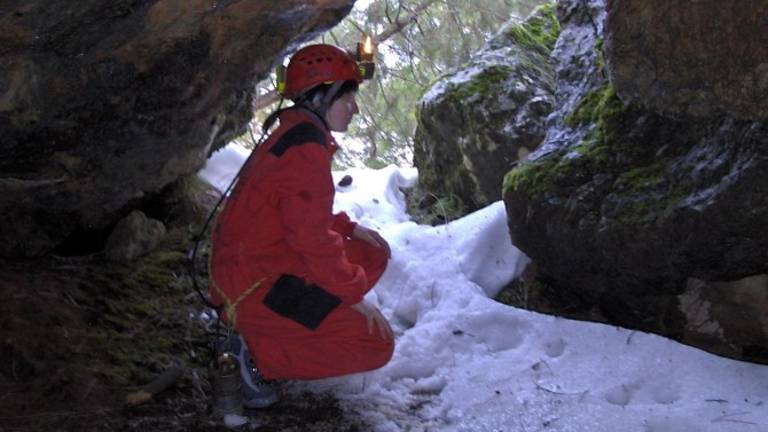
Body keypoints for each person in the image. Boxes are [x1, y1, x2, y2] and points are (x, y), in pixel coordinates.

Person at [209, 44, 395, 408]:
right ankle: (254, 355)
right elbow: (311, 240)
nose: (355, 108)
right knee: (375, 344)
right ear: (321, 98)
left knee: (372, 252)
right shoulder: (303, 150)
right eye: (348, 98)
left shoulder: (298, 136)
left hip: (264, 264)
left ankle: (287, 326)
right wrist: (351, 295)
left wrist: (345, 227)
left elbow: (295, 213)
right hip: (253, 284)